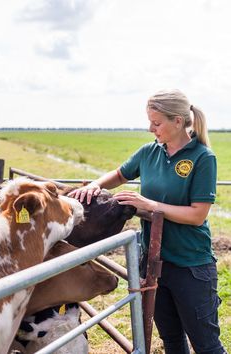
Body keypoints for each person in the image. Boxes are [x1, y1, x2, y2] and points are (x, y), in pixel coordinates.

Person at [68, 89, 227, 354]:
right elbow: (119, 174)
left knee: (206, 345)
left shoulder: (202, 158)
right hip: (154, 263)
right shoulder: (149, 152)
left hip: (191, 266)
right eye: (149, 121)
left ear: (178, 121)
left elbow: (198, 214)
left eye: (156, 122)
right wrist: (94, 185)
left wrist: (150, 206)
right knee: (172, 341)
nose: (150, 128)